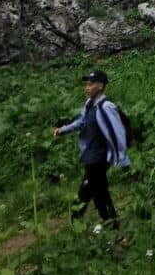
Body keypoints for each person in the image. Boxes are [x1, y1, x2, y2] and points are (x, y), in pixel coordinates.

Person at [53, 70, 129, 230]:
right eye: (86, 84)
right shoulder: (89, 105)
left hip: (99, 158)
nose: (87, 88)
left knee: (90, 193)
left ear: (100, 86)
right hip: (90, 155)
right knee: (98, 192)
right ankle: (110, 226)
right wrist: (64, 129)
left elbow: (118, 133)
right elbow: (81, 121)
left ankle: (81, 224)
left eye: (90, 84)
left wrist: (122, 158)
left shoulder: (106, 107)